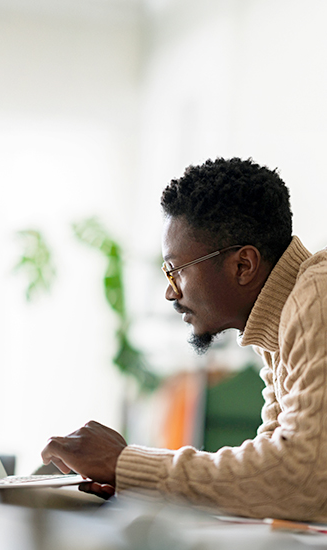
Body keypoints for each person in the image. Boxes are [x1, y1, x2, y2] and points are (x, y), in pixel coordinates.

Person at [42, 157, 327, 521]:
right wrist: (137, 481)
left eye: (175, 270)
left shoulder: (317, 297)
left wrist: (127, 464)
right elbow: (272, 467)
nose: (169, 292)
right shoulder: (282, 319)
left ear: (243, 266)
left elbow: (299, 480)